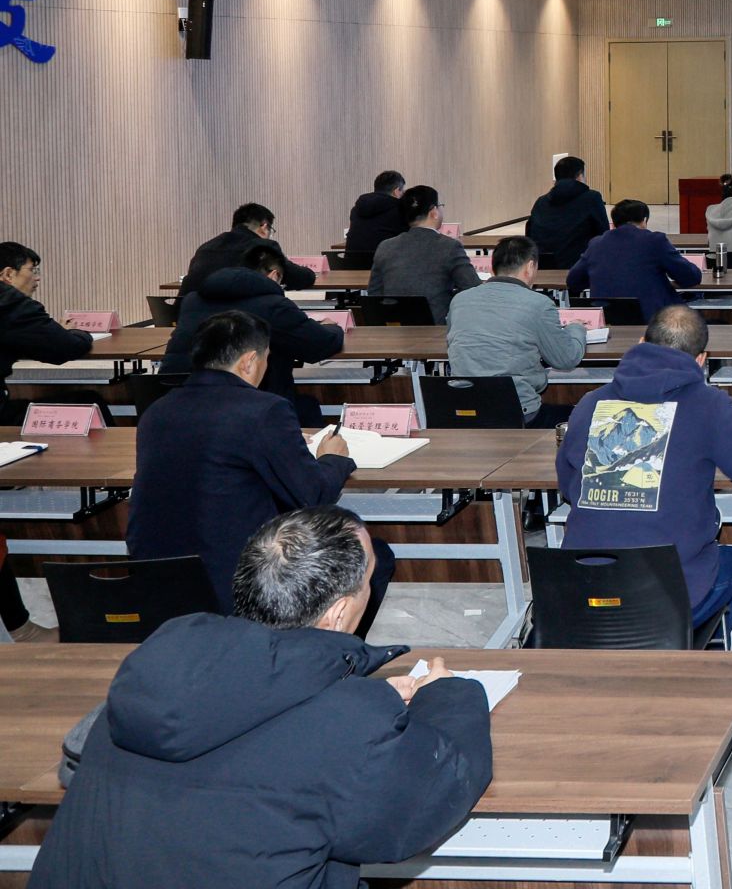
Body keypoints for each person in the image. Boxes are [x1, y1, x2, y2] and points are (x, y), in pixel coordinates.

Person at [31, 507, 493, 889]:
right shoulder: (349, 722)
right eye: (368, 580)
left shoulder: (157, 668)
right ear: (338, 613)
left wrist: (359, 702)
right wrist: (446, 694)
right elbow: (430, 799)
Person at [126, 311, 395, 627]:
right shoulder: (264, 410)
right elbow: (313, 494)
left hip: (156, 577)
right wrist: (332, 458)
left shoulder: (157, 411)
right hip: (236, 585)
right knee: (376, 556)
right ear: (249, 361)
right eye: (267, 358)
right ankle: (330, 651)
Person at [557, 304, 732, 646]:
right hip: (665, 597)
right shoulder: (709, 404)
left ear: (642, 342)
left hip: (583, 591)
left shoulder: (590, 403)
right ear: (701, 360)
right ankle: (724, 635)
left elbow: (569, 487)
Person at [160, 243, 346, 427]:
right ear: (274, 275)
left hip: (174, 399)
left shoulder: (192, 300)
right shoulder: (273, 305)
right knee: (307, 407)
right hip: (246, 409)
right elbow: (320, 344)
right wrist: (331, 327)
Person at [448, 236, 588, 427]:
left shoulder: (459, 300)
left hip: (464, 411)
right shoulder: (538, 304)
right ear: (530, 267)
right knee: (584, 415)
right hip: (517, 412)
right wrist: (576, 328)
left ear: (493, 268)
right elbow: (566, 359)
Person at [567, 199, 703, 323]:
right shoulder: (655, 241)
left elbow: (573, 281)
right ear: (644, 220)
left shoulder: (596, 244)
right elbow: (690, 277)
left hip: (606, 318)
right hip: (653, 319)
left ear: (614, 222)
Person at [368, 185, 480, 324]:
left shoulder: (385, 246)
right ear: (434, 212)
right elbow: (473, 287)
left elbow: (374, 293)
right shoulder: (449, 246)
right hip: (435, 328)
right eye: (440, 206)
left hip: (393, 327)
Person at [0, 242, 93, 400]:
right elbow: (68, 348)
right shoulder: (13, 305)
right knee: (88, 400)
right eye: (32, 270)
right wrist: (73, 332)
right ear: (8, 274)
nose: (37, 278)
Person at [178, 203, 317, 296]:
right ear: (264, 226)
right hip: (239, 320)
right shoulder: (263, 247)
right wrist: (310, 273)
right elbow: (298, 277)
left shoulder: (206, 247)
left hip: (192, 319)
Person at [528, 155, 610, 269]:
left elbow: (530, 232)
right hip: (579, 264)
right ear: (580, 176)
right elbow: (603, 232)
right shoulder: (592, 198)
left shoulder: (541, 202)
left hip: (543, 264)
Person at [344, 170, 409, 257]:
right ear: (396, 191)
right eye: (402, 191)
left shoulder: (356, 210)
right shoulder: (400, 210)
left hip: (351, 262)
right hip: (384, 262)